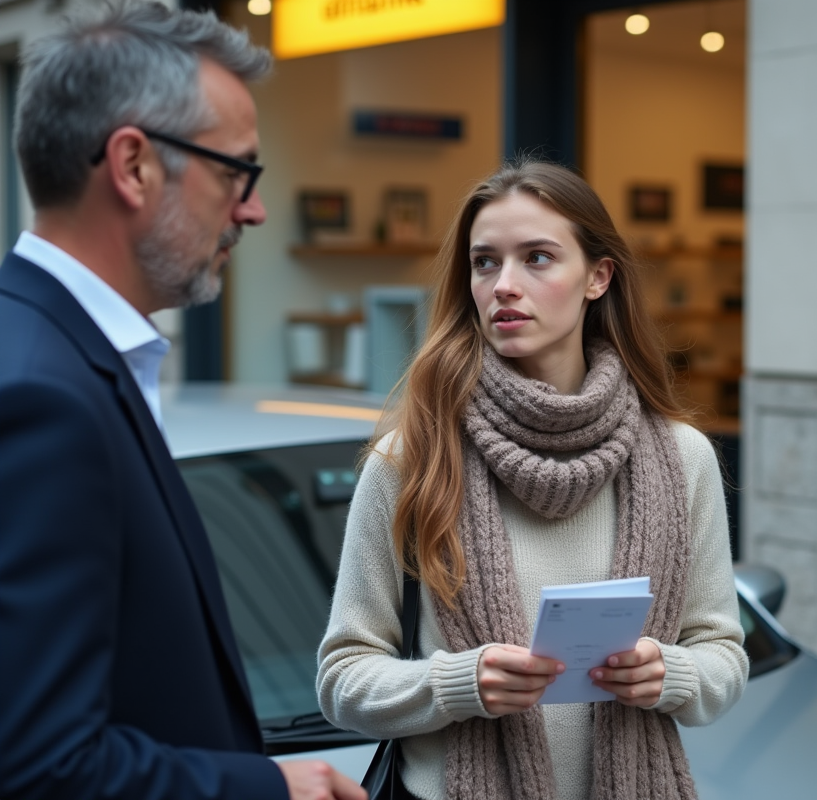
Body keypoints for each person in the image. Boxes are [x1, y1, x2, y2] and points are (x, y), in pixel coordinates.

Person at [0, 4, 365, 799]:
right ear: (132, 166)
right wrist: (272, 790)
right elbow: (38, 767)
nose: (253, 209)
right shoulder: (40, 394)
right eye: (237, 170)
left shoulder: (53, 354)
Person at [317, 159, 749, 800]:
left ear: (597, 277)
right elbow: (341, 680)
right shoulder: (411, 459)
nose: (504, 285)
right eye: (485, 262)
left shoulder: (681, 458)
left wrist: (672, 674)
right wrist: (459, 685)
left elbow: (723, 652)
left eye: (538, 258)